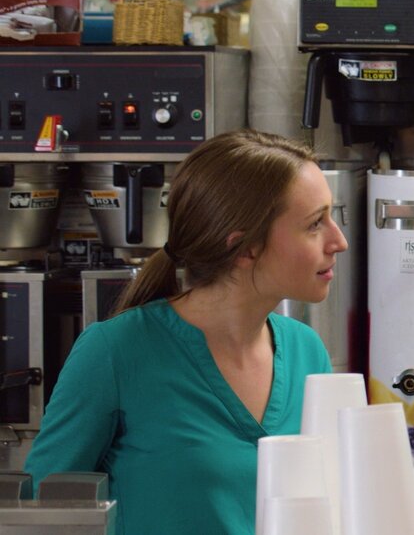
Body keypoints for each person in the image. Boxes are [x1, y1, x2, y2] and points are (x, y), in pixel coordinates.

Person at [25, 129, 347, 534]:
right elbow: (39, 516)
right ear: (244, 247)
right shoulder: (115, 353)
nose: (339, 241)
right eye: (315, 223)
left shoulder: (307, 351)